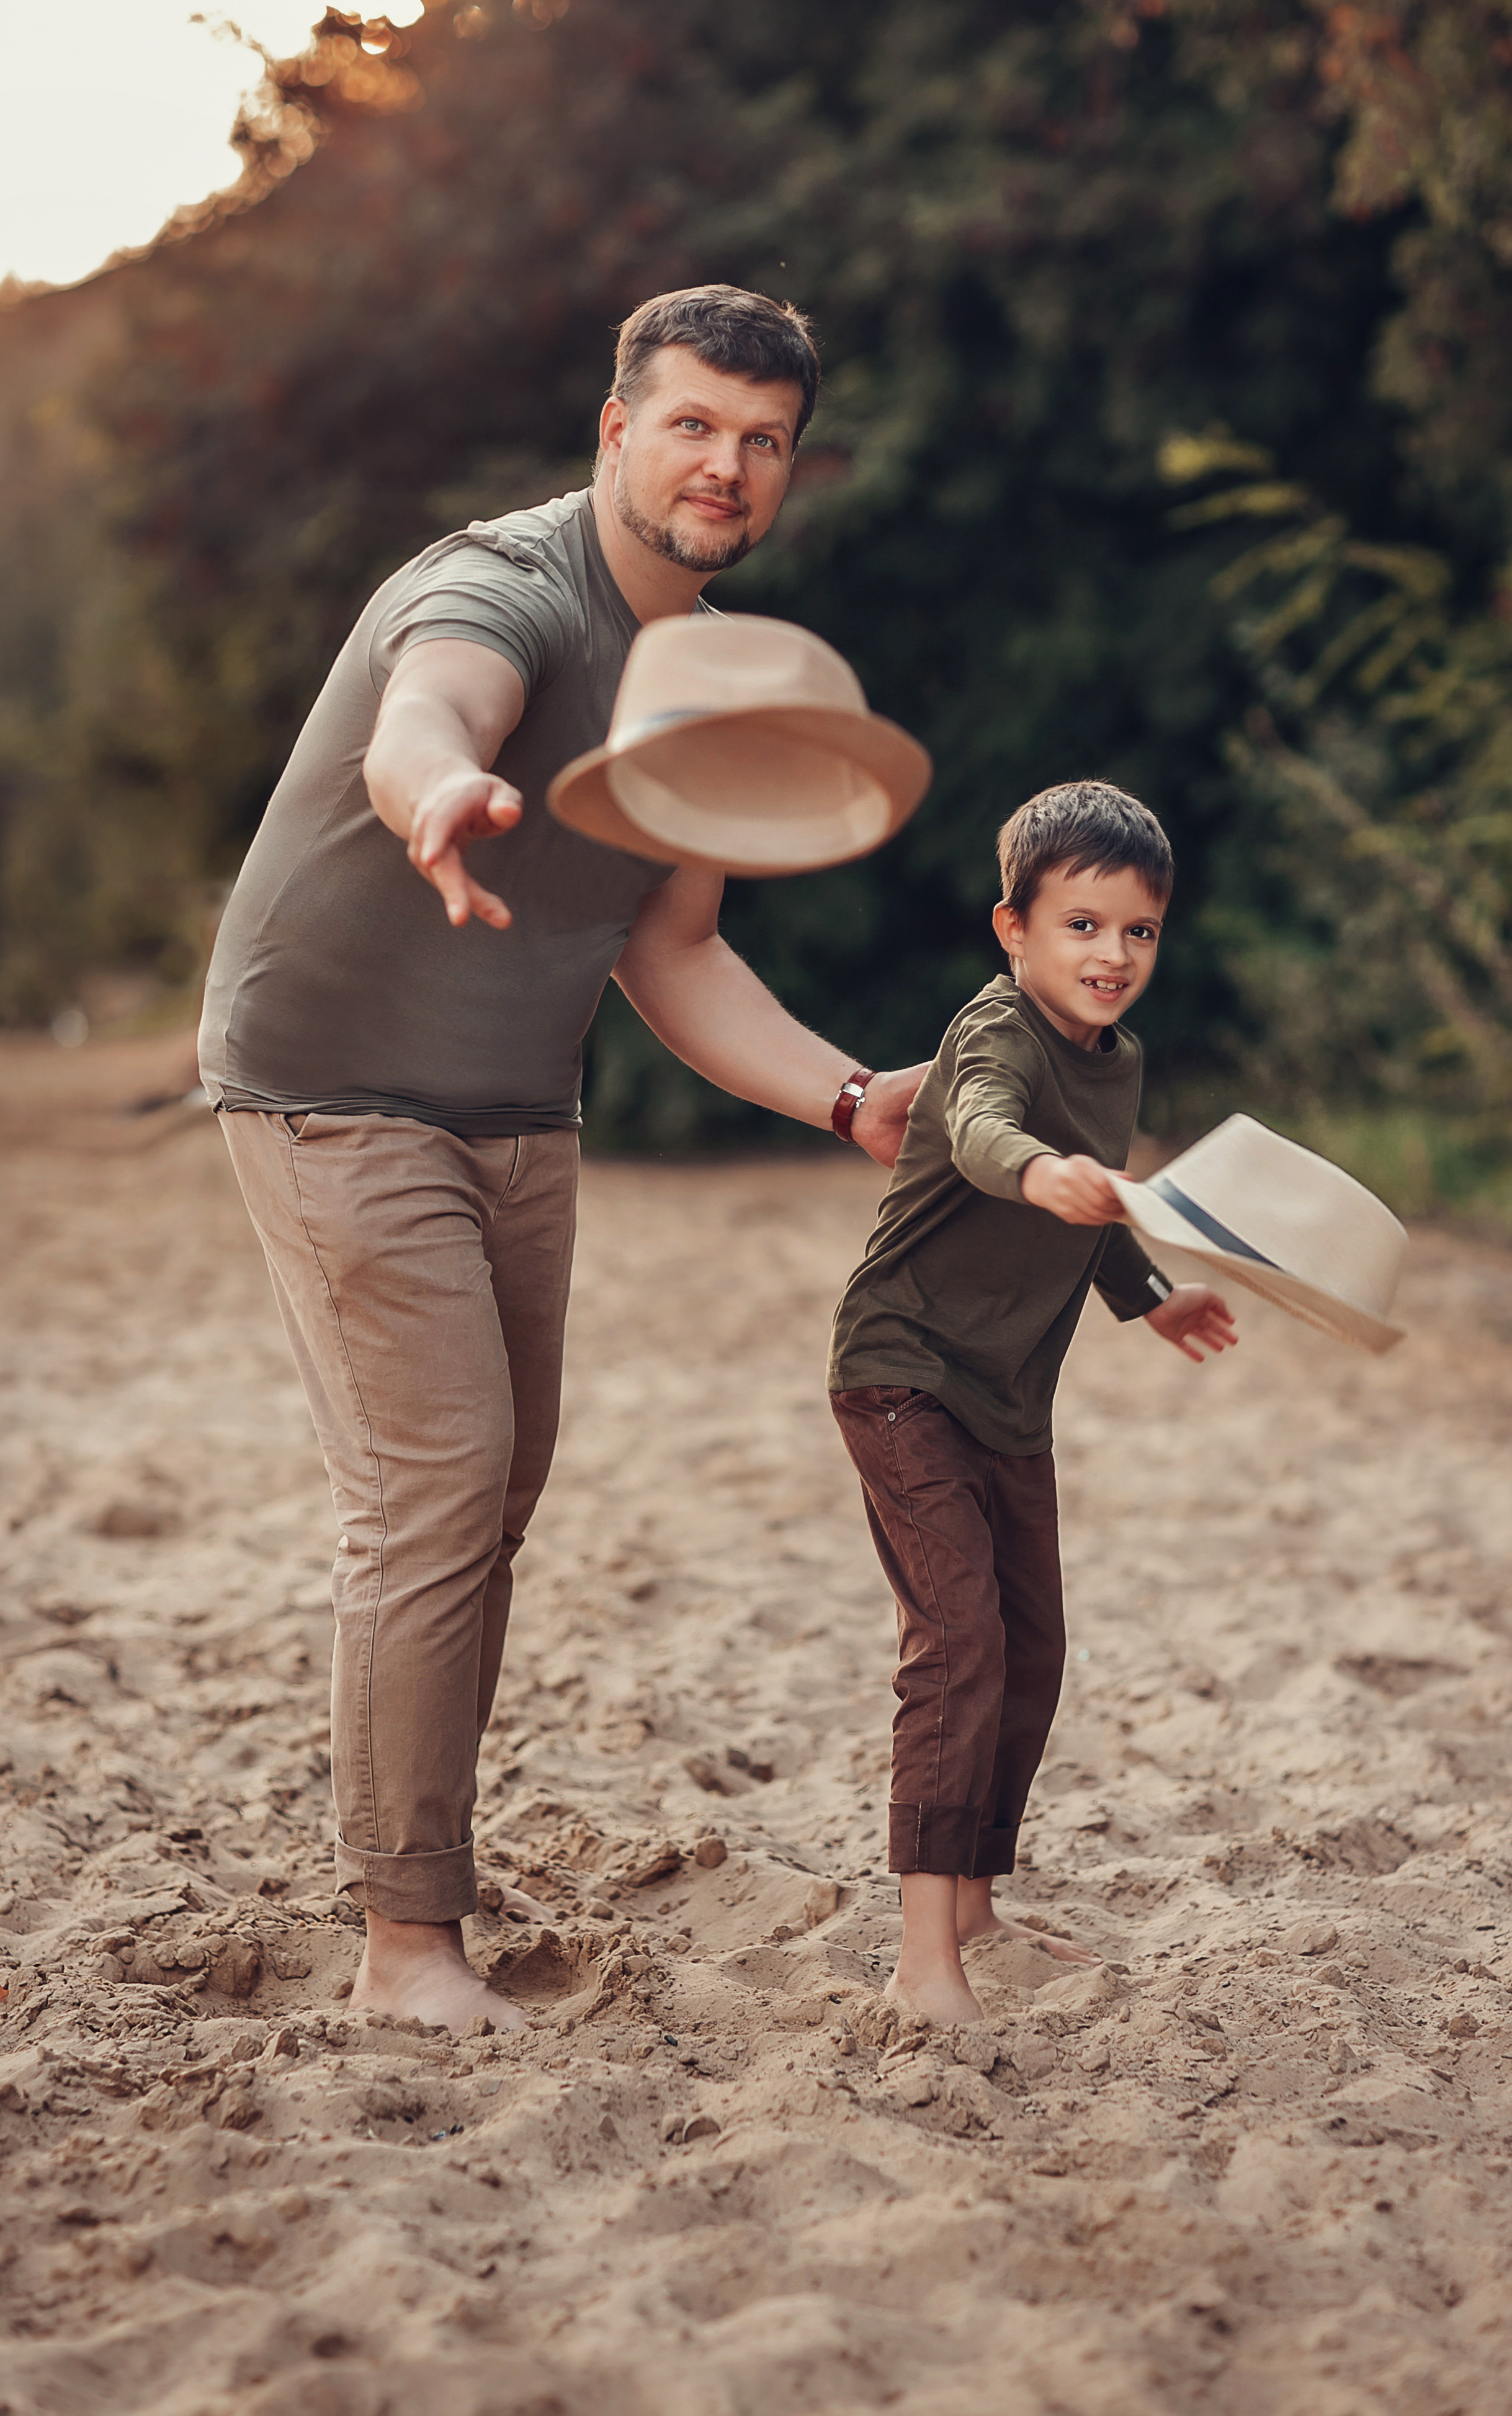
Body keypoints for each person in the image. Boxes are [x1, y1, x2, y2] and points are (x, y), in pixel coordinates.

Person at [199, 284, 924, 2034]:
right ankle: (404, 1944)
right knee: (436, 1491)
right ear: (617, 431)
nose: (725, 464)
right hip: (333, 1086)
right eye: (691, 424)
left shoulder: (700, 677)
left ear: (789, 471)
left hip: (516, 1099)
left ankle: (415, 1853)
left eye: (761, 441)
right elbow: (426, 710)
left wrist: (848, 1100)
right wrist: (438, 789)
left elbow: (672, 949)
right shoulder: (506, 584)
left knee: (496, 1492)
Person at [826, 781, 1238, 2027]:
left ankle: (974, 1909)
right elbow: (978, 1129)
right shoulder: (995, 1029)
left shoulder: (1119, 1063)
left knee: (1032, 1649)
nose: (1111, 955)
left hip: (1008, 1395)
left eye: (1137, 932)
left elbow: (1099, 1205)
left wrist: (1149, 1295)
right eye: (1081, 926)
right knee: (958, 1645)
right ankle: (920, 1963)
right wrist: (1041, 1169)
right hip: (902, 1372)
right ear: (1012, 930)